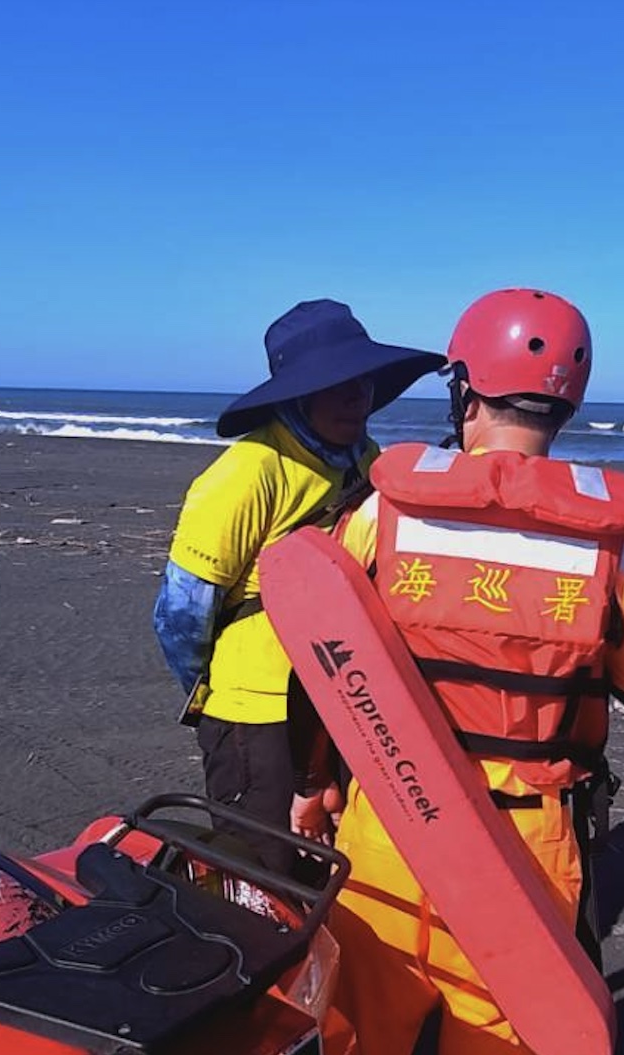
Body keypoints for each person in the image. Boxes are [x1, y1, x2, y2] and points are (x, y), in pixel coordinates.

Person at [308, 288, 624, 1055]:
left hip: (390, 830)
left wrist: (317, 782)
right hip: (526, 857)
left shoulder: (383, 513)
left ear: (464, 388)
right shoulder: (617, 549)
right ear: (568, 404)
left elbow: (326, 647)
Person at [152, 299, 444, 864]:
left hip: (346, 698)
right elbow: (181, 613)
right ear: (297, 394)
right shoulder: (249, 471)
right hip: (257, 714)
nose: (356, 397)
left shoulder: (368, 460)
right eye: (336, 385)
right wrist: (218, 689)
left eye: (362, 381)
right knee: (263, 869)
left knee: (337, 864)